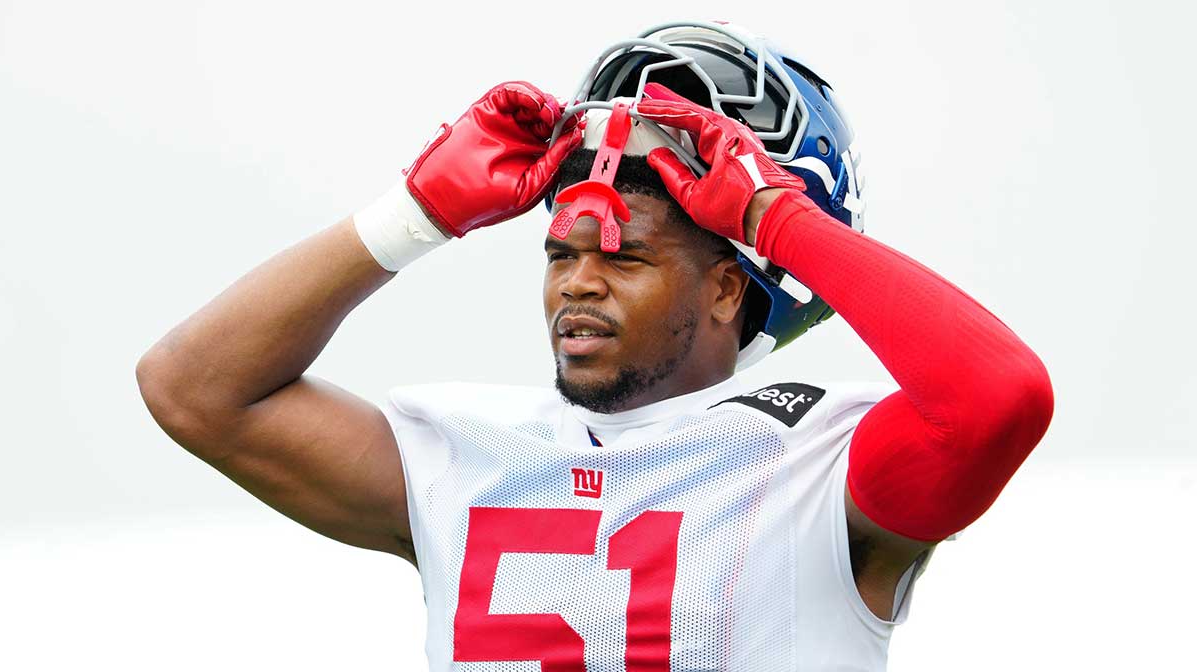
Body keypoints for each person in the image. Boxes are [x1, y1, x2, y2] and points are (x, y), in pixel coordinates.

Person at [136, 21, 1053, 671]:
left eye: (623, 253)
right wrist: (414, 217)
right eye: (560, 251)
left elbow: (997, 398)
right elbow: (194, 387)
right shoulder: (465, 450)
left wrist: (775, 217)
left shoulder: (819, 457)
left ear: (732, 285)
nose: (577, 281)